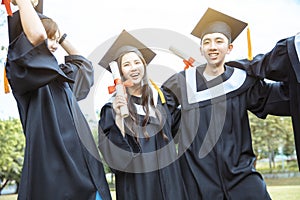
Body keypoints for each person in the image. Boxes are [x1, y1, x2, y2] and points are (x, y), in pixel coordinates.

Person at [162, 7, 293, 199]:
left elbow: (278, 98)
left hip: (241, 175)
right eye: (206, 42)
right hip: (197, 179)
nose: (212, 46)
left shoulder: (241, 81)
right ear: (201, 49)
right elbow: (160, 110)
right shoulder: (182, 83)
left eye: (219, 41)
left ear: (229, 48)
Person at [5, 0, 111, 199]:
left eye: (55, 40)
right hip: (55, 172)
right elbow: (36, 36)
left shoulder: (62, 76)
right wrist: (23, 3)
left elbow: (85, 66)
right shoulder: (25, 74)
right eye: (49, 39)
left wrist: (60, 36)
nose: (53, 45)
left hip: (86, 168)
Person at [98, 30, 188, 200]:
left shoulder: (160, 101)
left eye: (137, 62)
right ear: (119, 72)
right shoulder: (111, 110)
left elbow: (184, 129)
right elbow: (115, 161)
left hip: (171, 188)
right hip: (138, 191)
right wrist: (119, 119)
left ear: (144, 66)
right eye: (126, 64)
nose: (133, 68)